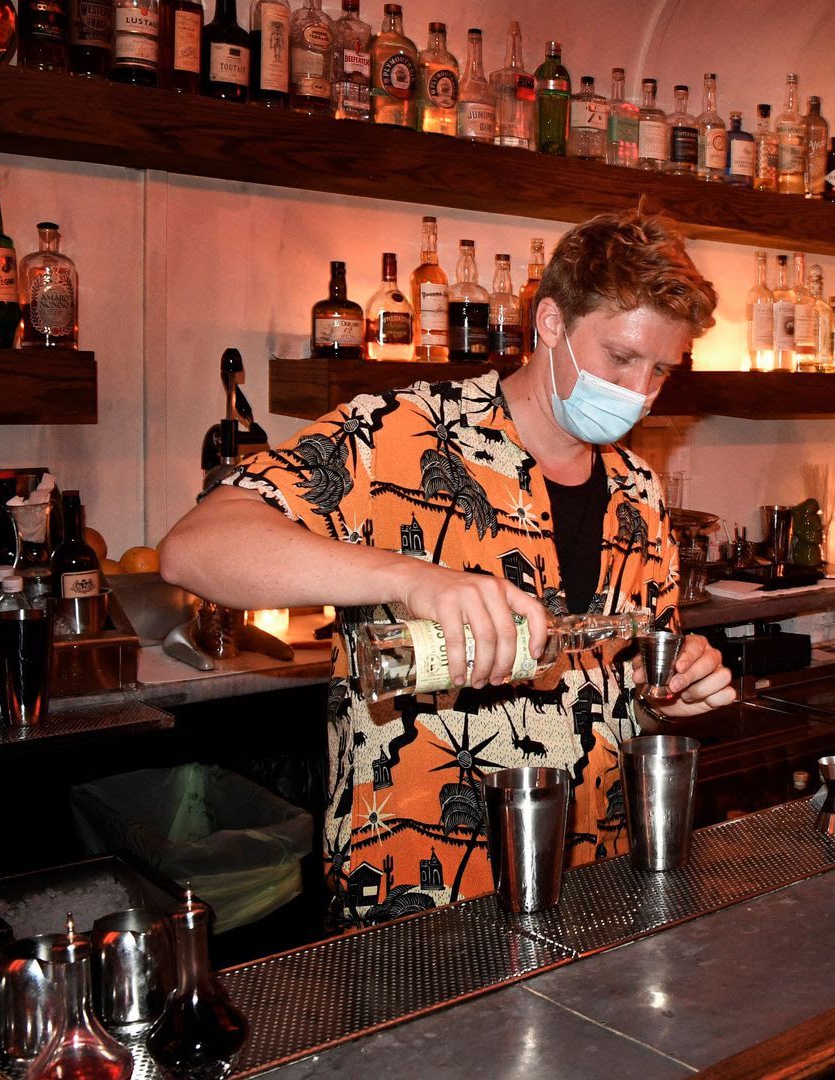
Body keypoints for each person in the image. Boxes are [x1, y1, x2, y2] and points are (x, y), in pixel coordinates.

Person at [161, 211, 736, 927]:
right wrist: (413, 579)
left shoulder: (639, 493)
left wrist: (670, 696)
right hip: (420, 896)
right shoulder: (401, 432)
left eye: (660, 370)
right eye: (621, 358)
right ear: (550, 323)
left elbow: (625, 696)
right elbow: (196, 546)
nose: (639, 390)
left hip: (594, 884)